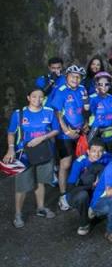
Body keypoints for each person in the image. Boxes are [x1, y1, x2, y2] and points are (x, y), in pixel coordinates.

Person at [4, 89, 60, 228]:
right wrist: (11, 149)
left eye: (41, 97)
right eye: (34, 96)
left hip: (44, 151)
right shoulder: (19, 114)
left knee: (41, 181)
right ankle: (18, 214)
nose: (38, 99)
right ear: (28, 97)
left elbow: (56, 129)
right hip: (23, 154)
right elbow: (11, 132)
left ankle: (40, 208)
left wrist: (42, 137)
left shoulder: (49, 111)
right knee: (21, 185)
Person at [48, 64, 89, 211]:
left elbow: (85, 109)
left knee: (81, 160)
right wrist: (66, 130)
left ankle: (78, 188)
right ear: (67, 77)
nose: (75, 79)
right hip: (65, 133)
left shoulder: (82, 89)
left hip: (79, 132)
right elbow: (57, 113)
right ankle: (63, 195)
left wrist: (85, 124)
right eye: (72, 76)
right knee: (65, 163)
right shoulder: (61, 91)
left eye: (78, 77)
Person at [66, 139, 110, 235]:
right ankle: (84, 223)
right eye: (94, 151)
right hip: (77, 193)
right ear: (88, 151)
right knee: (83, 195)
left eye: (100, 151)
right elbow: (70, 188)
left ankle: (97, 211)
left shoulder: (105, 157)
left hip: (94, 191)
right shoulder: (79, 162)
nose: (97, 154)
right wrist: (91, 185)